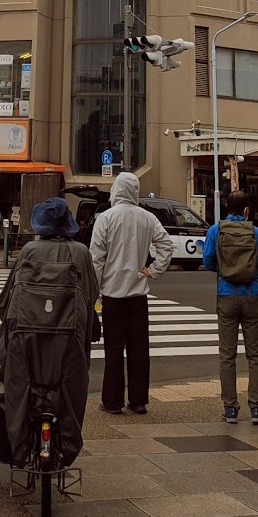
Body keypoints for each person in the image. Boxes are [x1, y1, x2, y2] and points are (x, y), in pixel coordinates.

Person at [0, 197, 99, 489]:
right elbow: (91, 296)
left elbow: (6, 301)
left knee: (4, 388)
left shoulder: (29, 250)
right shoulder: (81, 252)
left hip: (25, 340)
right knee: (72, 389)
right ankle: (64, 445)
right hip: (68, 341)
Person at [89, 172, 174, 416]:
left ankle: (112, 401)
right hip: (138, 295)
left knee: (113, 351)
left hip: (112, 294)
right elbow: (166, 245)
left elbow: (96, 259)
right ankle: (138, 401)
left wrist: (95, 292)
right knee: (139, 350)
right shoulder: (148, 218)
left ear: (116, 190)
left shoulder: (105, 218)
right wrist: (153, 270)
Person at [202, 190, 258, 426]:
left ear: (226, 207)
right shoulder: (256, 232)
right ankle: (257, 409)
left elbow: (208, 260)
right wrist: (249, 273)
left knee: (227, 355)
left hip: (225, 294)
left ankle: (230, 408)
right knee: (255, 355)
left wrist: (226, 271)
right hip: (252, 294)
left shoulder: (216, 230)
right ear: (246, 210)